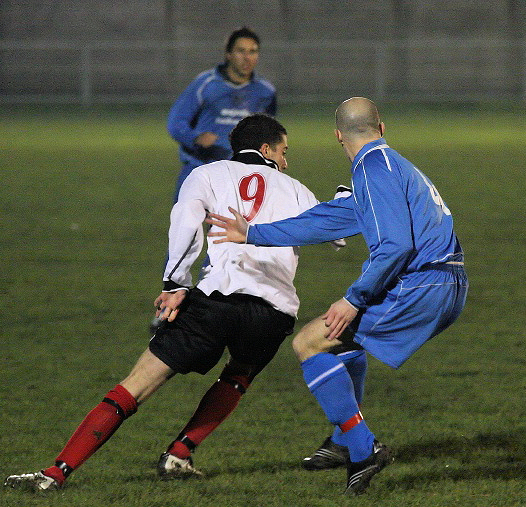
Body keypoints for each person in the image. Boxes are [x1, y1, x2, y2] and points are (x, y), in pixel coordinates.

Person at [4, 114, 331, 491]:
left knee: (137, 385)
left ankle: (54, 475)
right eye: (284, 151)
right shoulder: (297, 189)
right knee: (238, 376)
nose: (287, 161)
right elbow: (333, 233)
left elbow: (186, 220)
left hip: (217, 300)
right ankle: (179, 453)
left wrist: (176, 282)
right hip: (273, 313)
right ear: (266, 149)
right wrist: (342, 199)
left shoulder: (208, 174)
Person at [205, 97, 469, 495]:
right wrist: (254, 234)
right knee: (344, 343)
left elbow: (395, 245)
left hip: (424, 284)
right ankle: (343, 440)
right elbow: (329, 219)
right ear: (381, 127)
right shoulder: (389, 163)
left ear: (337, 135)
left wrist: (354, 298)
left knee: (309, 342)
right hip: (445, 282)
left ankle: (364, 450)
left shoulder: (373, 168)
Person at [167, 26, 277, 202]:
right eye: (241, 51)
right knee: (185, 228)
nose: (247, 58)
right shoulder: (206, 84)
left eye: (253, 51)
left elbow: (268, 132)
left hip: (239, 177)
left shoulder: (265, 92)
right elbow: (176, 121)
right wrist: (195, 138)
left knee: (227, 230)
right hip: (199, 169)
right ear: (228, 54)